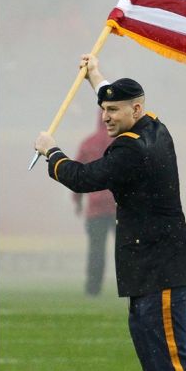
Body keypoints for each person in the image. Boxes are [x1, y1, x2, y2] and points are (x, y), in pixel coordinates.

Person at [33, 54, 186, 371]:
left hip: (160, 268)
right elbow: (117, 99)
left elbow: (83, 177)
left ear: (136, 109)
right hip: (147, 268)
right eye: (103, 109)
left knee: (171, 364)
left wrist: (50, 152)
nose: (106, 116)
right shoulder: (154, 127)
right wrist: (98, 76)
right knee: (156, 368)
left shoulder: (132, 148)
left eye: (114, 110)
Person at [73, 120, 116, 296]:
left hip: (95, 207)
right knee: (128, 249)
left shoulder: (88, 143)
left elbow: (77, 175)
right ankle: (134, 288)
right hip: (120, 205)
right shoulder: (123, 142)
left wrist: (77, 201)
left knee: (96, 251)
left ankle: (93, 289)